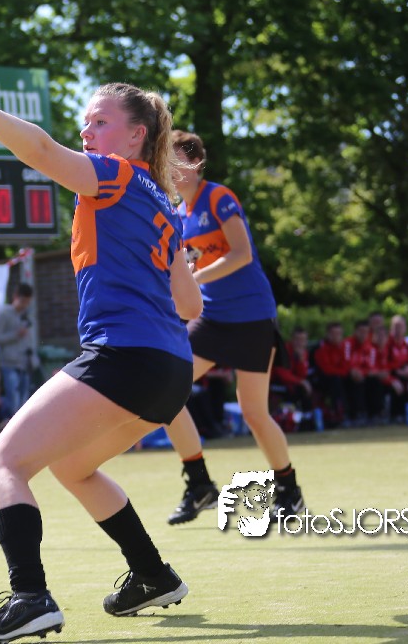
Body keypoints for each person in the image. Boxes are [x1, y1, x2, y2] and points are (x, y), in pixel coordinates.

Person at [0, 63, 202, 643]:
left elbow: (39, 150)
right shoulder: (162, 202)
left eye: (100, 122)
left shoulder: (114, 175)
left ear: (136, 136)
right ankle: (152, 574)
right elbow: (190, 302)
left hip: (124, 356)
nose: (86, 131)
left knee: (1, 465)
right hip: (171, 370)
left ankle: (30, 597)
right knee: (72, 466)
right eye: (86, 122)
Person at [162, 130, 304, 526]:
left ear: (196, 164)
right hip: (211, 319)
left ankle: (290, 492)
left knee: (254, 413)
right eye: (165, 162)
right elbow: (186, 268)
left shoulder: (219, 197)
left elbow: (241, 254)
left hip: (252, 316)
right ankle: (200, 484)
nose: (170, 169)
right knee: (166, 389)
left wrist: (195, 278)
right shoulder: (179, 214)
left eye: (177, 161)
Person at [0, 283, 38, 415]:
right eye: (23, 301)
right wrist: (16, 335)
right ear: (15, 297)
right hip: (9, 364)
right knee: (13, 401)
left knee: (25, 402)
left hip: (25, 363)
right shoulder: (5, 313)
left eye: (27, 302)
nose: (25, 305)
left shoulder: (27, 316)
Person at [272, 327, 314, 413]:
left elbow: (302, 375)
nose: (300, 343)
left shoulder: (303, 353)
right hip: (276, 382)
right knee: (299, 387)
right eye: (297, 339)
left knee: (306, 387)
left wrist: (301, 361)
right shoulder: (283, 351)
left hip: (292, 383)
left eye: (303, 340)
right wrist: (301, 381)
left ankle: (307, 415)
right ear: (292, 339)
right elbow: (282, 374)